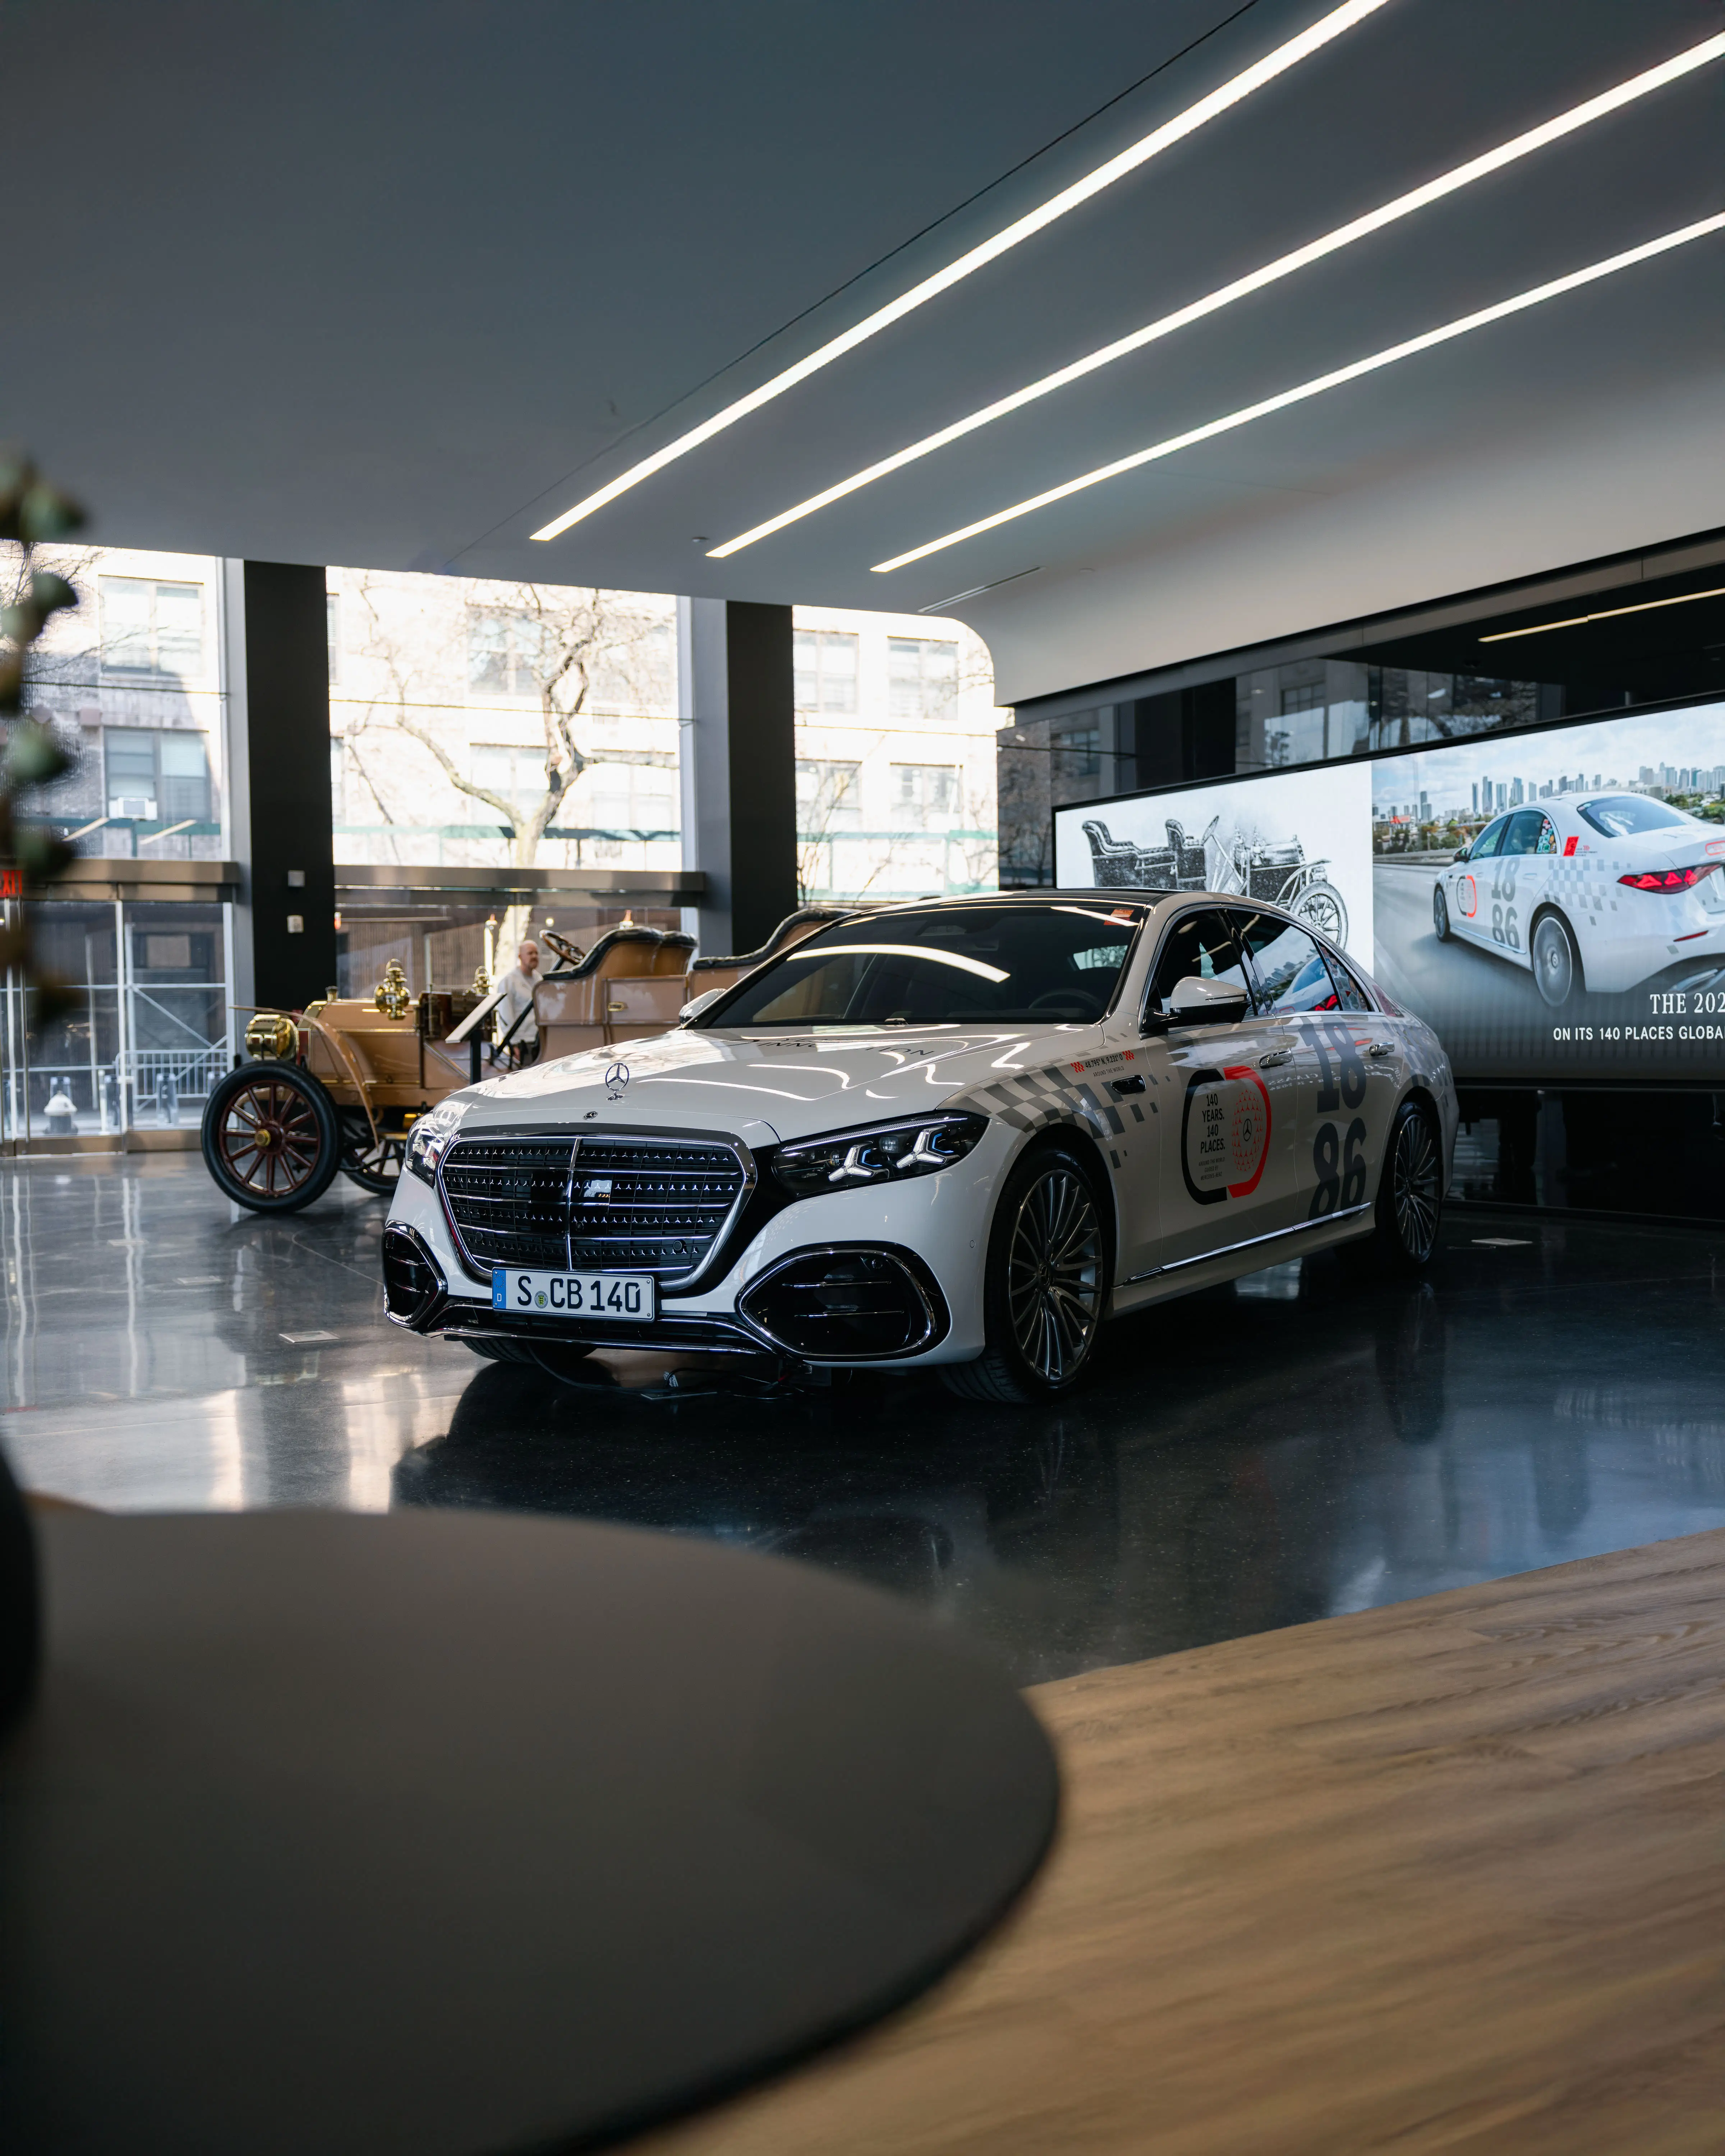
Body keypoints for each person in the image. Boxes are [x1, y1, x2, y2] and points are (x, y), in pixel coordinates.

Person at [496, 939, 542, 1064]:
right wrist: (513, 1044)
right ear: (520, 957)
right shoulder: (509, 982)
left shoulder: (539, 980)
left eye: (536, 953)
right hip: (523, 1044)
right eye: (530, 953)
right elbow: (505, 1015)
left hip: (540, 1041)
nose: (534, 956)